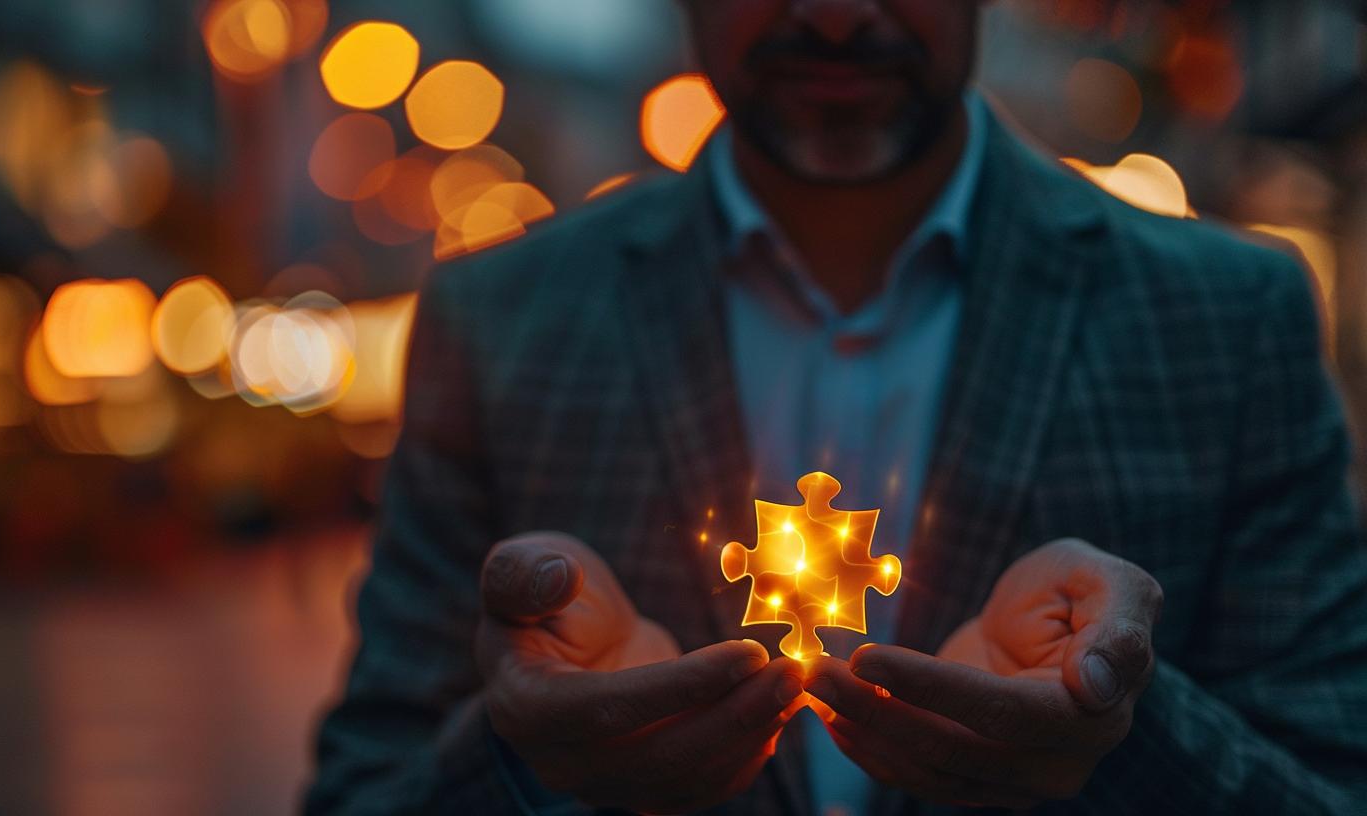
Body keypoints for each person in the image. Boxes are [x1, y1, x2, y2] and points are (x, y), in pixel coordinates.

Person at [307, 1, 1367, 813]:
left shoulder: (1228, 319)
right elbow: (365, 791)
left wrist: (1126, 730)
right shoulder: (498, 319)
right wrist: (519, 749)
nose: (830, 12)